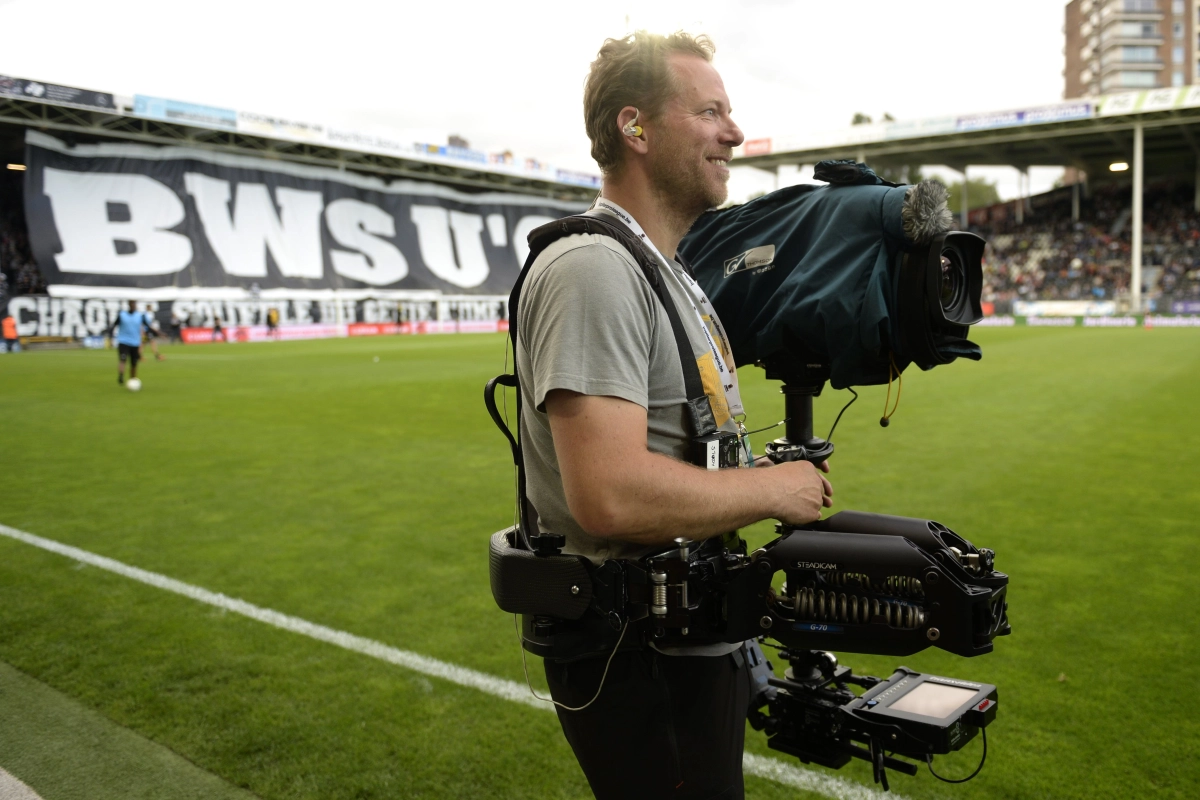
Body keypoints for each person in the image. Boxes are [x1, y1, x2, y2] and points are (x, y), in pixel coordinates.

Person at [516, 31, 832, 800]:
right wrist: (773, 491)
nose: (733, 132)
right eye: (711, 111)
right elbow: (611, 494)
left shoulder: (664, 271)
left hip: (687, 633)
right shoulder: (593, 268)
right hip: (637, 650)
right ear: (636, 127)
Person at [107, 300, 153, 385]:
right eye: (132, 304)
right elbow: (114, 326)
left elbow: (148, 327)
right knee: (123, 359)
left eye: (134, 304)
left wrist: (159, 333)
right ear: (129, 305)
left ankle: (133, 379)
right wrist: (110, 339)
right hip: (123, 341)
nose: (133, 305)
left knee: (134, 363)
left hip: (135, 343)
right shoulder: (122, 315)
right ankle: (121, 376)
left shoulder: (139, 316)